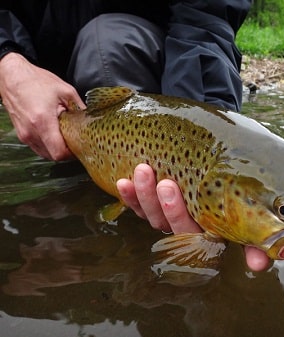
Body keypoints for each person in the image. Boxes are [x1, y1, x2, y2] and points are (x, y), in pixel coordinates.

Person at [0, 1, 270, 271]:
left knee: (112, 45)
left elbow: (206, 21)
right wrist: (8, 65)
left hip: (149, 64)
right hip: (34, 61)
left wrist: (206, 133)